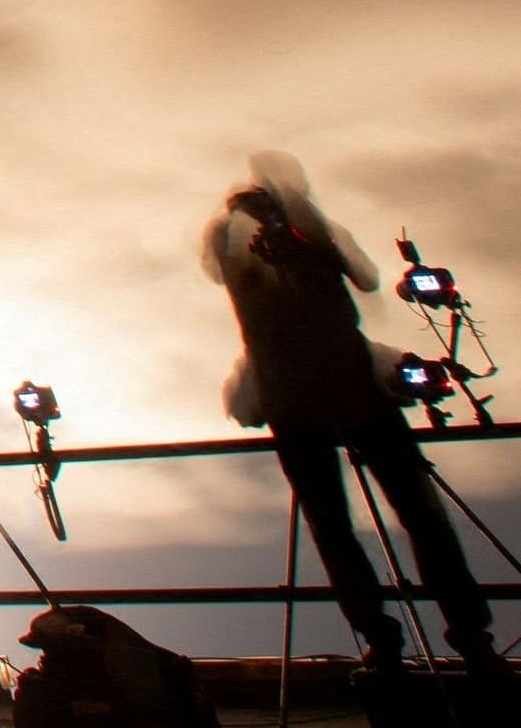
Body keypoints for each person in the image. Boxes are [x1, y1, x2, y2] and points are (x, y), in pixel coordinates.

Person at [203, 156, 500, 681]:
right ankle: (464, 635)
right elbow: (360, 281)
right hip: (342, 394)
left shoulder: (268, 253)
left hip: (307, 400)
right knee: (411, 514)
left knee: (345, 523)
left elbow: (346, 282)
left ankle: (392, 639)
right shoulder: (287, 250)